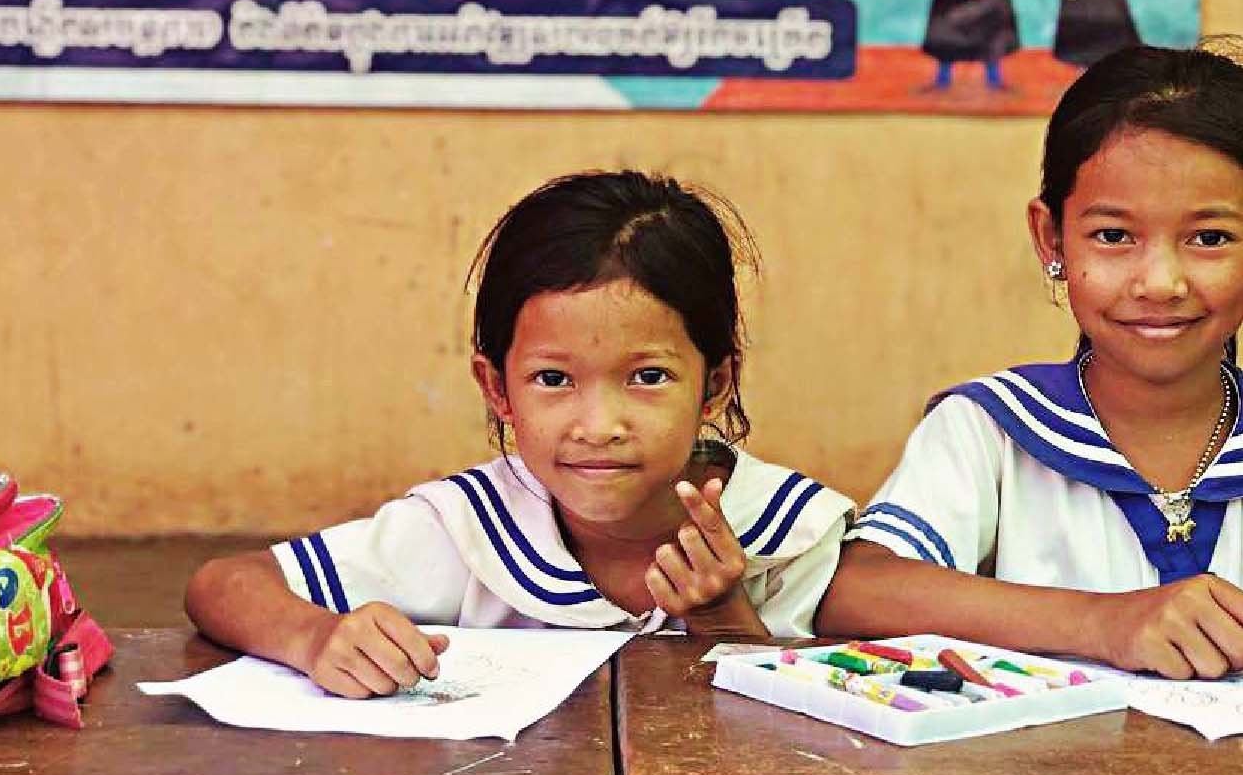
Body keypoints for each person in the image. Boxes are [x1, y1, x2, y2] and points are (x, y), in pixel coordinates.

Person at [818, 41, 1243, 678]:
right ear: (1051, 237)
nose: (1161, 282)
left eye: (1209, 238)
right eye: (1114, 235)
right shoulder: (992, 430)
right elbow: (855, 592)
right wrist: (1104, 622)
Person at [186, 171, 854, 697]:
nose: (599, 427)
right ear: (497, 388)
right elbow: (222, 584)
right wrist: (316, 639)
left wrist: (724, 617)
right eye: (553, 380)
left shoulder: (781, 533)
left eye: (648, 376)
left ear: (715, 384)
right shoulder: (473, 529)